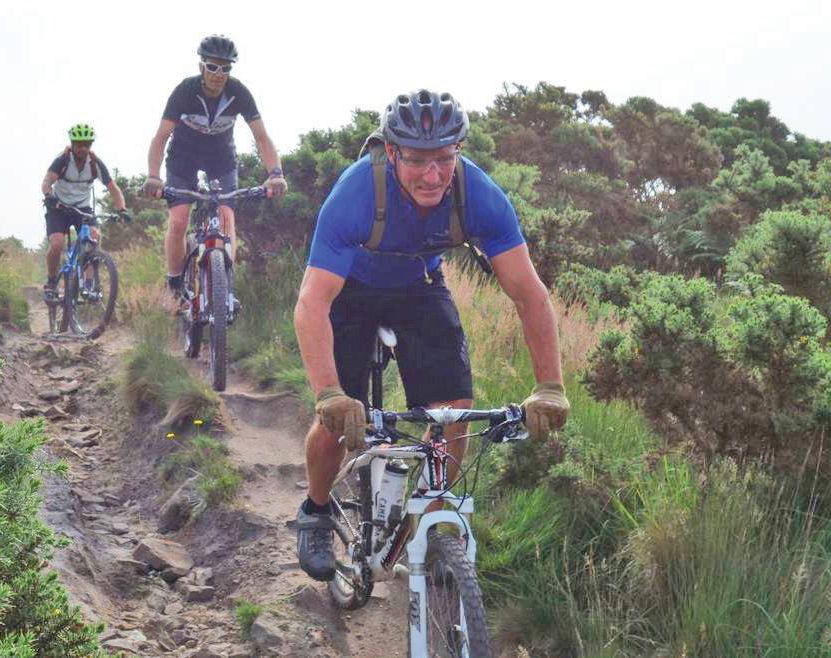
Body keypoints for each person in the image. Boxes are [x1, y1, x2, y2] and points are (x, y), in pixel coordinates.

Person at [292, 90, 571, 581]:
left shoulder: (477, 194)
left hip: (418, 285)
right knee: (336, 421)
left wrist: (550, 385)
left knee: (452, 410)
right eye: (417, 160)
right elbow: (312, 303)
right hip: (349, 291)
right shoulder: (357, 193)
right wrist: (329, 393)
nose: (433, 175)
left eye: (444, 158)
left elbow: (530, 295)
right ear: (392, 152)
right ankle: (315, 512)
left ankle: (430, 524)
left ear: (458, 151)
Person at [142, 34, 287, 297]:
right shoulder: (185, 91)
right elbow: (160, 137)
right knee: (179, 219)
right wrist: (153, 176)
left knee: (226, 216)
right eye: (212, 67)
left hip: (221, 158)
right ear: (201, 66)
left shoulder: (239, 93)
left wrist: (275, 173)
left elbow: (262, 138)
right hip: (183, 157)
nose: (218, 74)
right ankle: (175, 286)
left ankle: (225, 287)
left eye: (225, 68)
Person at [41, 123, 132, 300]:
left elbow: (113, 188)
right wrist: (48, 195)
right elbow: (47, 182)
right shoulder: (62, 160)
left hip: (82, 208)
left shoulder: (95, 163)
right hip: (58, 207)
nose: (83, 148)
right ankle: (51, 282)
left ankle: (88, 285)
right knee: (57, 243)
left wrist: (122, 209)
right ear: (72, 144)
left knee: (94, 237)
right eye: (79, 144)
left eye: (87, 144)